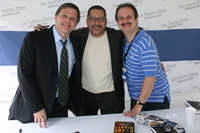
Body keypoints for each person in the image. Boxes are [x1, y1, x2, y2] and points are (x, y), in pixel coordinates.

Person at [8, 3, 81, 128]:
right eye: (64, 15)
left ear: (76, 23)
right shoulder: (34, 38)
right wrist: (36, 108)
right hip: (34, 107)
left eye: (73, 18)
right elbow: (24, 76)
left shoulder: (75, 41)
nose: (68, 20)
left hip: (60, 106)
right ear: (55, 18)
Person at [115, 3, 171, 117]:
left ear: (136, 20)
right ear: (117, 22)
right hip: (137, 96)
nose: (125, 21)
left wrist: (138, 106)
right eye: (121, 18)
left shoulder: (145, 43)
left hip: (154, 100)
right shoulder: (125, 40)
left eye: (129, 17)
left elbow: (150, 78)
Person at [73, 5, 125, 115]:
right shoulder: (77, 36)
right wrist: (42, 31)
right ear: (87, 21)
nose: (96, 22)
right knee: (87, 128)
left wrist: (155, 61)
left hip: (111, 95)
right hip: (85, 95)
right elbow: (59, 33)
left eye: (100, 19)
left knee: (111, 128)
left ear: (106, 21)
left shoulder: (117, 36)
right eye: (92, 19)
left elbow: (135, 38)